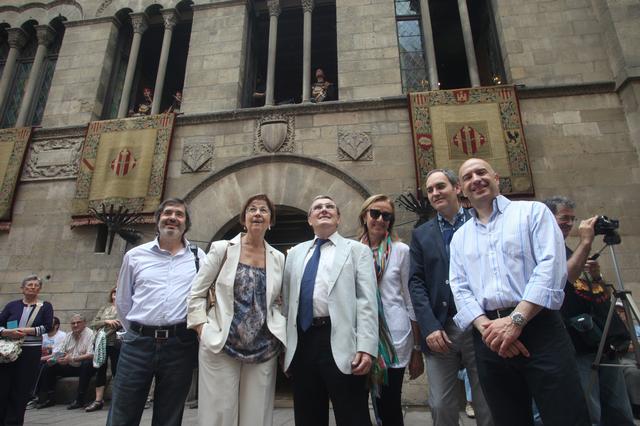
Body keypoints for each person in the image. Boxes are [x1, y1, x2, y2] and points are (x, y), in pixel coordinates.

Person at [448, 158, 591, 426]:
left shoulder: (532, 213)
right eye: (467, 177)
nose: (476, 179)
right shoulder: (460, 237)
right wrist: (490, 330)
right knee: (507, 418)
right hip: (489, 338)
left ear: (496, 178)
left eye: (481, 172)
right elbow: (460, 287)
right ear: (461, 189)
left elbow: (551, 267)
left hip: (540, 328)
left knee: (566, 415)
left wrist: (516, 321)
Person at [187, 194, 286, 426]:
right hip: (221, 343)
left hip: (263, 347)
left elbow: (278, 301)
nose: (258, 213)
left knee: (256, 416)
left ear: (270, 221)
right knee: (219, 414)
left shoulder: (279, 258)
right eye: (252, 209)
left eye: (264, 210)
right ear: (244, 219)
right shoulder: (222, 249)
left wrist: (278, 332)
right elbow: (196, 293)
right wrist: (202, 328)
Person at [283, 195, 378, 426]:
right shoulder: (294, 254)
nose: (324, 210)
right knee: (308, 417)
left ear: (338, 218)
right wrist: (286, 349)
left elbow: (367, 302)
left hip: (343, 342)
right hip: (303, 343)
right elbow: (287, 303)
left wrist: (366, 348)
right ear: (310, 219)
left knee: (353, 416)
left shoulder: (357, 251)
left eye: (329, 207)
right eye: (317, 207)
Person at [108, 198, 204, 426]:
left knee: (169, 416)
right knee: (123, 413)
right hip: (137, 344)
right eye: (167, 213)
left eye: (179, 214)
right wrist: (138, 331)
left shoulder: (199, 257)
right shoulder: (135, 256)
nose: (173, 218)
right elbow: (123, 301)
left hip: (180, 344)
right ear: (158, 218)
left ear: (186, 223)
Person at [408, 169, 493, 426]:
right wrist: (429, 326)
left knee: (487, 401)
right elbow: (416, 283)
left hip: (481, 326)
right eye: (430, 190)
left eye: (440, 186)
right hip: (442, 329)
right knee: (440, 405)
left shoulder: (480, 222)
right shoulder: (421, 234)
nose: (435, 193)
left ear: (457, 188)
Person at [543, 196, 634, 425]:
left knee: (619, 411)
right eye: (564, 218)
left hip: (601, 341)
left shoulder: (568, 250)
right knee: (589, 410)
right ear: (547, 218)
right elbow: (563, 281)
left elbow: (597, 294)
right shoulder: (544, 250)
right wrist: (585, 242)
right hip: (577, 344)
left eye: (572, 219)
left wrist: (596, 276)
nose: (569, 224)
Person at [357, 194, 423, 425]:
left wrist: (417, 348)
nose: (380, 219)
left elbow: (409, 299)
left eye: (386, 216)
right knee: (357, 403)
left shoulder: (401, 251)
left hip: (394, 338)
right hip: (361, 337)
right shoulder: (353, 251)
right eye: (375, 213)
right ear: (364, 216)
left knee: (389, 402)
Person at [0, 275, 53, 425]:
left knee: (21, 387)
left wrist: (25, 331)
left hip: (30, 352)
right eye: (29, 285)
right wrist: (7, 332)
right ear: (22, 288)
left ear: (39, 289)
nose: (33, 287)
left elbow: (47, 326)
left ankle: (14, 421)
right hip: (8, 351)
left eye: (36, 285)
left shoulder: (45, 306)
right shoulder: (12, 306)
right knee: (3, 386)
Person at [36, 313, 95, 410]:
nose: (75, 325)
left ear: (84, 323)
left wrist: (72, 358)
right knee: (48, 366)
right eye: (73, 323)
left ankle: (80, 399)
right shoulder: (69, 336)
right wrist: (55, 359)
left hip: (84, 365)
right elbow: (61, 351)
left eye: (78, 322)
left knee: (87, 364)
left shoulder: (91, 334)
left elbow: (90, 354)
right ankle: (48, 398)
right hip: (70, 364)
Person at [85, 286, 122, 412]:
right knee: (100, 370)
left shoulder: (125, 307)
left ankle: (118, 400)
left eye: (119, 292)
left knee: (117, 370)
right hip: (102, 342)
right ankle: (98, 400)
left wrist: (114, 323)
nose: (116, 294)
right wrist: (107, 321)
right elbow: (94, 323)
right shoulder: (104, 308)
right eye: (114, 292)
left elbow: (123, 322)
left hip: (117, 342)